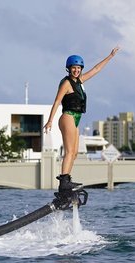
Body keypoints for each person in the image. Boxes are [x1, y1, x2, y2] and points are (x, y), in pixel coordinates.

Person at [43, 47, 120, 192]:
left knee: (75, 153)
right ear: (69, 69)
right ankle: (63, 183)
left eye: (78, 68)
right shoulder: (66, 83)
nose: (76, 70)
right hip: (68, 116)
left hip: (76, 118)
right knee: (69, 151)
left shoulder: (80, 81)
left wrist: (110, 56)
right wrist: (50, 120)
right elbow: (57, 101)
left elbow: (96, 69)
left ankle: (67, 181)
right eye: (74, 68)